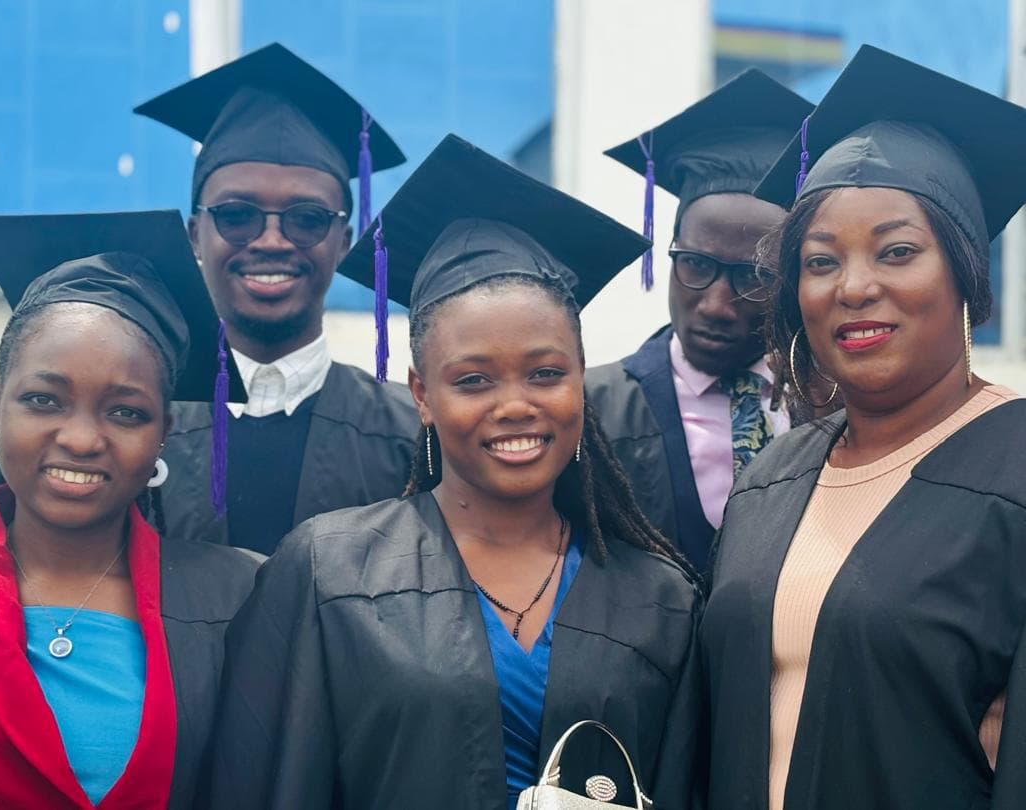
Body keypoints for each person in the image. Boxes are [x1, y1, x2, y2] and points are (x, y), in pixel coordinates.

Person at [205, 135, 706, 810]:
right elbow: (269, 782)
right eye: (473, 380)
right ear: (422, 394)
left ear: (582, 379)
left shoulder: (659, 597)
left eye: (546, 373)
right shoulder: (328, 570)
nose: (515, 405)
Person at [701, 46, 1026, 810]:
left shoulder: (1016, 468)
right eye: (821, 262)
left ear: (965, 273)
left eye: (897, 252)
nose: (853, 286)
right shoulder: (772, 478)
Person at [0, 211, 261, 809]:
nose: (81, 439)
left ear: (164, 433)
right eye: (44, 400)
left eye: (125, 412)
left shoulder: (238, 603)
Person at [134, 43, 419, 554]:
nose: (271, 240)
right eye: (236, 215)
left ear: (344, 241)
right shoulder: (135, 426)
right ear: (195, 235)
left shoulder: (411, 436)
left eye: (307, 219)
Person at [584, 70, 813, 573]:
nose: (715, 305)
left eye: (753, 276)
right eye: (695, 264)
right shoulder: (592, 409)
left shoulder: (832, 405)